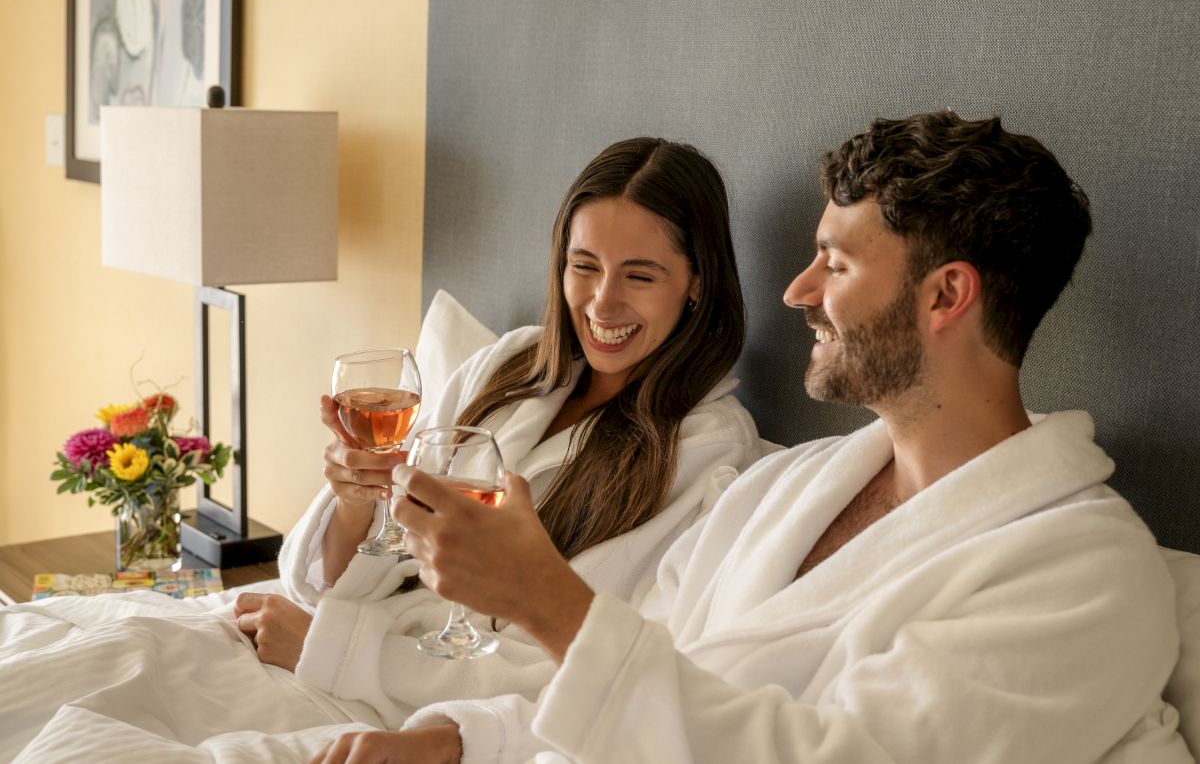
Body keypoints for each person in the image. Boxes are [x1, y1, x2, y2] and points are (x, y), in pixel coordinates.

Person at [316, 111, 1190, 763]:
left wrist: (546, 600)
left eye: (836, 263)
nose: (796, 291)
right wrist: (464, 738)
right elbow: (656, 670)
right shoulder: (786, 489)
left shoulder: (1083, 573)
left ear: (945, 297)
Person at [232, 137, 763, 724]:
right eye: (583, 266)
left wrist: (332, 651)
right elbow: (341, 581)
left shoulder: (700, 447)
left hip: (417, 709)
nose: (601, 304)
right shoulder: (512, 363)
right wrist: (357, 500)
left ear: (697, 282)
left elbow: (568, 667)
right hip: (329, 660)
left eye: (639, 276)